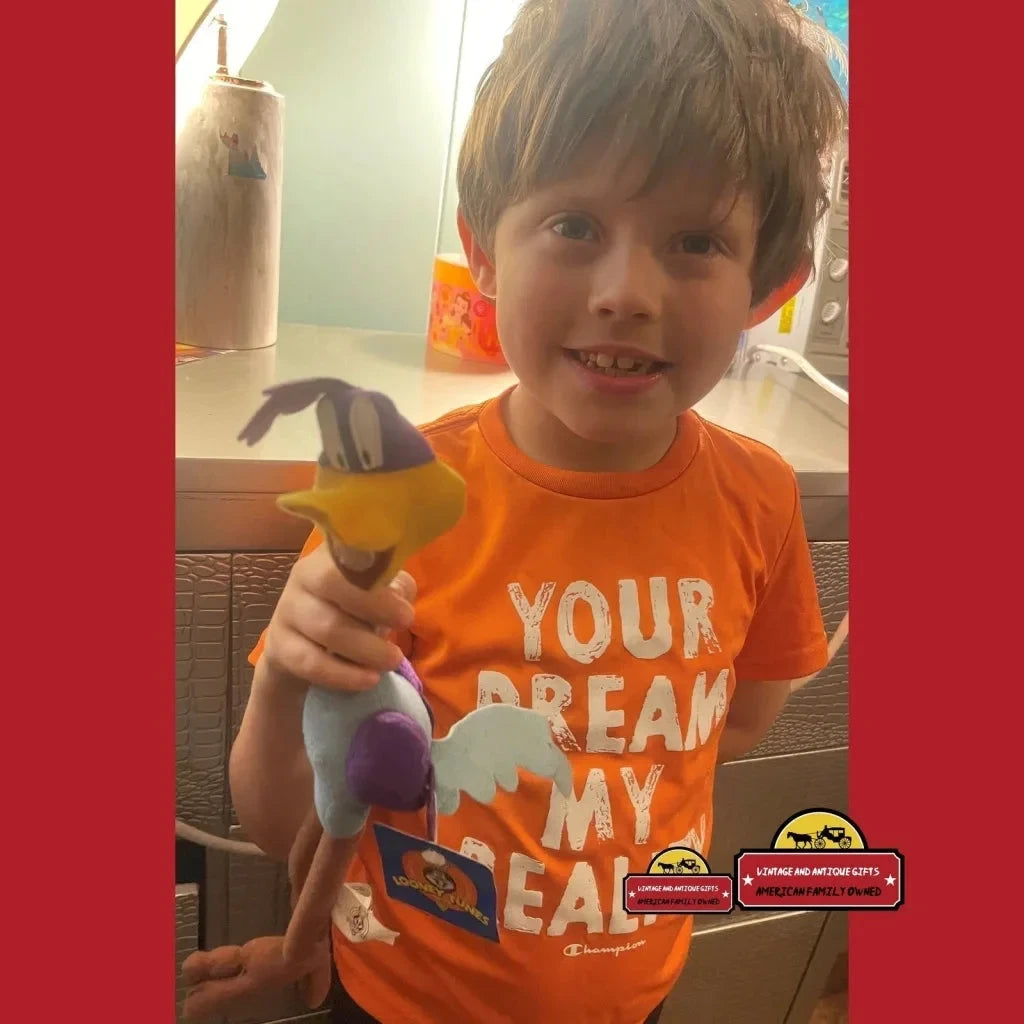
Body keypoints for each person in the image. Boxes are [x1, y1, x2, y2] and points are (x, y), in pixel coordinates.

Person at [231, 1, 848, 1021]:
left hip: (633, 994)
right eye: (574, 225)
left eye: (694, 240)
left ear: (766, 287)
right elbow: (276, 817)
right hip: (395, 997)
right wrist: (283, 683)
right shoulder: (396, 491)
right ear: (483, 250)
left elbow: (737, 721)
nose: (626, 291)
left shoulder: (760, 498)